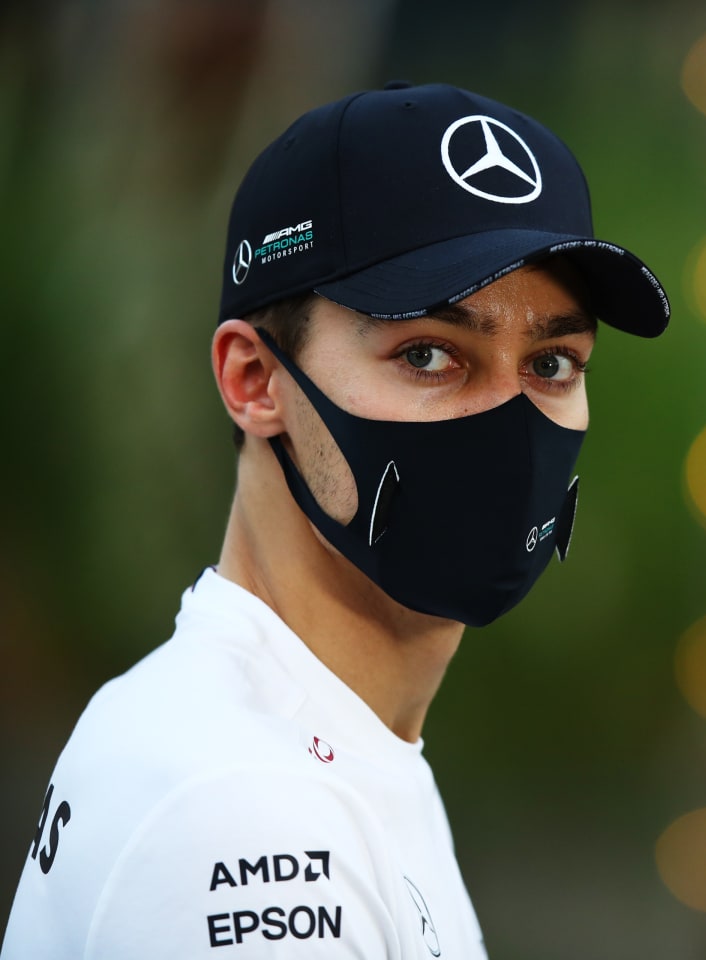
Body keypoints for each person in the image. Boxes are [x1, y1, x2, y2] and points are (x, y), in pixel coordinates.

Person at [2, 81, 668, 958]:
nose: (511, 422)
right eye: (428, 354)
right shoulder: (243, 816)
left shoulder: (317, 747)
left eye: (551, 361)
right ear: (254, 380)